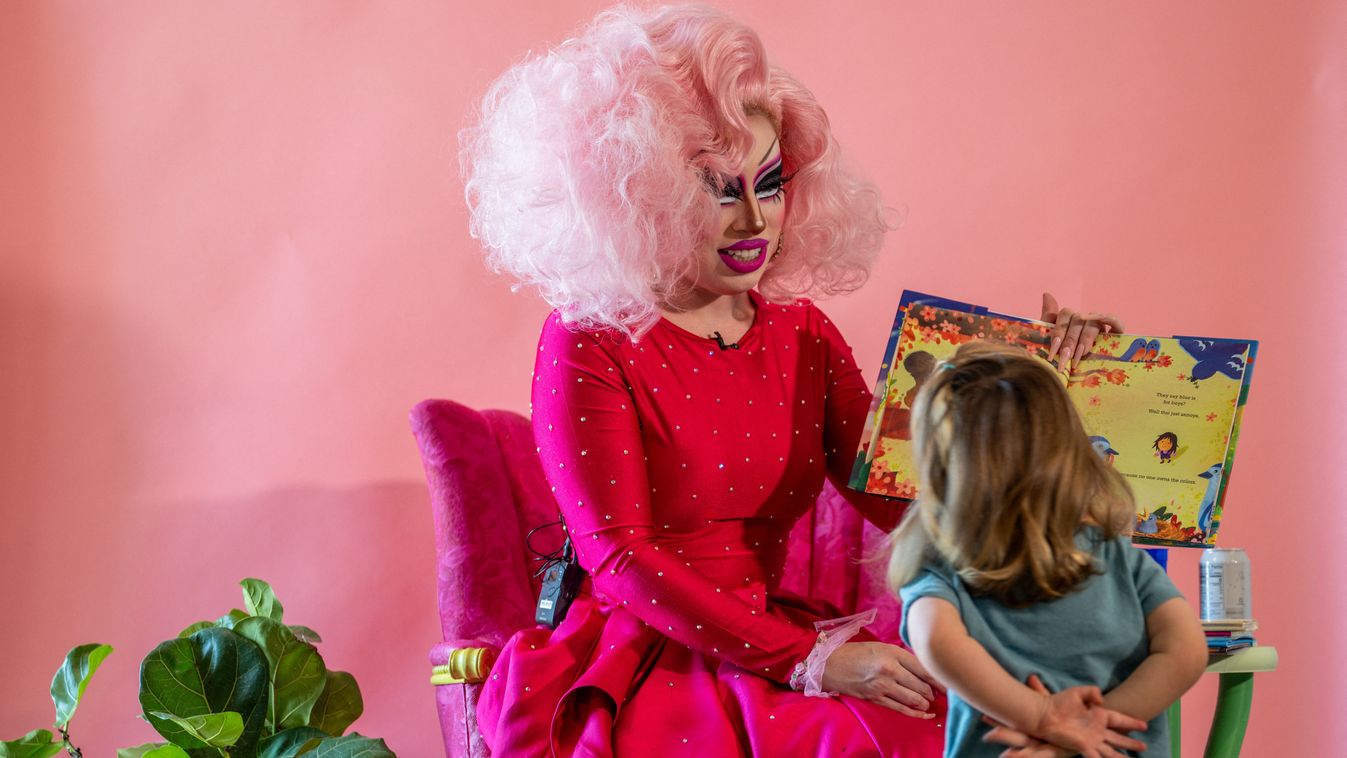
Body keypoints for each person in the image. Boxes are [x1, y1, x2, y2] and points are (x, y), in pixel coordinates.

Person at [461, 5, 1123, 755]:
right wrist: (811, 661)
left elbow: (900, 496)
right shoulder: (589, 339)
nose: (754, 220)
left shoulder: (799, 332)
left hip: (777, 631)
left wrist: (1048, 387)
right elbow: (619, 560)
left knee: (968, 727)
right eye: (717, 189)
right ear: (636, 196)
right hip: (646, 652)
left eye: (769, 183)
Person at [890, 343, 1208, 757]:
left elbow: (935, 641)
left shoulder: (943, 566)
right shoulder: (1114, 553)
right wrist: (1094, 724)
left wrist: (1048, 721)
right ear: (1071, 454)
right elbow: (1185, 651)